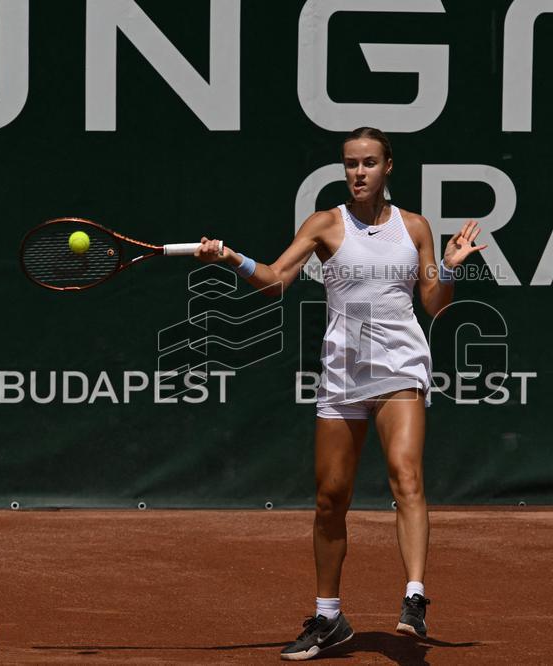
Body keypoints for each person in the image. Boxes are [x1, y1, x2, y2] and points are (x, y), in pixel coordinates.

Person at [195, 127, 486, 661]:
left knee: (406, 475)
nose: (358, 172)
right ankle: (329, 618)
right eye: (351, 163)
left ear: (388, 166)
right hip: (343, 375)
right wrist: (232, 258)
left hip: (400, 367)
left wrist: (448, 266)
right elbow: (275, 280)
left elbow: (435, 304)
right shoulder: (325, 225)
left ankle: (414, 597)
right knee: (331, 499)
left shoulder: (415, 227)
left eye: (369, 163)